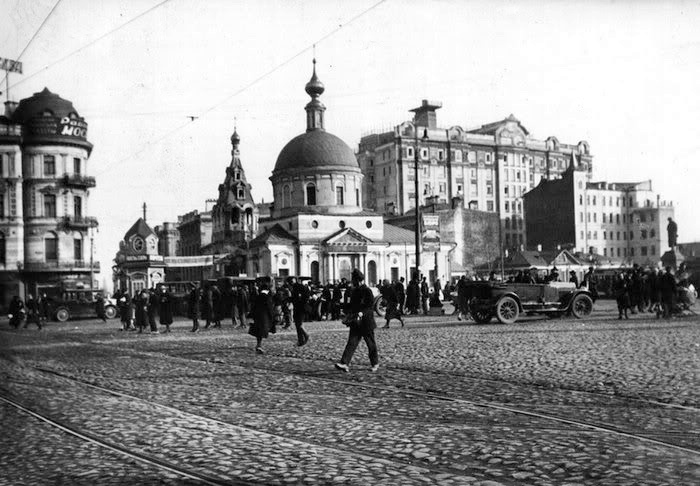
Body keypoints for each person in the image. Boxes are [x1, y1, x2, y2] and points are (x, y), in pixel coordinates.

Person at [335, 269, 379, 373]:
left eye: (354, 280)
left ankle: (375, 363)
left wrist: (362, 313)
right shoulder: (354, 291)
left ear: (359, 281)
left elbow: (370, 306)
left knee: (370, 344)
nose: (353, 283)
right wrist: (344, 310)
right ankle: (344, 363)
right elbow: (352, 305)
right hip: (356, 321)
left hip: (366, 322)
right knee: (351, 342)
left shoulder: (367, 291)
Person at [249, 280, 275, 354]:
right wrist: (272, 316)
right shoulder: (267, 297)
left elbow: (253, 306)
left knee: (259, 331)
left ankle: (258, 345)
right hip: (264, 317)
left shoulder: (258, 296)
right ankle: (259, 346)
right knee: (262, 331)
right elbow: (269, 308)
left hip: (257, 316)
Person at [290, 277, 310, 346]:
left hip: (299, 308)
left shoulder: (297, 287)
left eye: (292, 281)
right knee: (298, 324)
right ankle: (301, 340)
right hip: (300, 308)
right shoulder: (299, 287)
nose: (291, 282)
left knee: (299, 324)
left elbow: (296, 298)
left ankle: (305, 335)